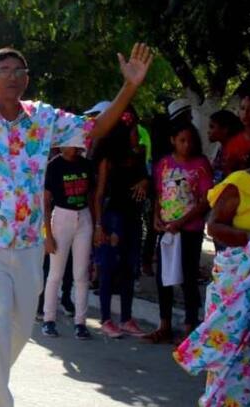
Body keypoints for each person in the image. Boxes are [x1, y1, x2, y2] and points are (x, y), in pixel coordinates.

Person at [0, 40, 152, 407]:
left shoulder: (43, 118)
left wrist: (129, 86)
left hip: (28, 243)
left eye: (19, 71)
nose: (12, 76)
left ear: (27, 79)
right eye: (4, 71)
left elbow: (94, 129)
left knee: (18, 330)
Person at [173, 124, 250, 407]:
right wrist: (249, 238)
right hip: (241, 286)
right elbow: (214, 226)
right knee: (232, 361)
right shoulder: (240, 182)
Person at [144, 122, 212, 343]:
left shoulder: (201, 165)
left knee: (188, 278)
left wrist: (181, 222)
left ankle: (190, 328)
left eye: (190, 141)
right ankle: (164, 325)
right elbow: (159, 194)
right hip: (167, 230)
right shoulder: (164, 163)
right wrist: (156, 217)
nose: (186, 145)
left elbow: (205, 200)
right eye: (182, 140)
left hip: (190, 230)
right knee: (163, 277)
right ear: (173, 140)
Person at [93, 111, 149, 339]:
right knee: (108, 269)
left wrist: (145, 182)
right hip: (113, 218)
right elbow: (99, 195)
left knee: (129, 269)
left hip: (133, 217)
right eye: (134, 131)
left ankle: (126, 318)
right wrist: (99, 226)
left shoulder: (138, 157)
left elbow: (147, 179)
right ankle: (106, 318)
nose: (138, 135)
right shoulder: (108, 160)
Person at [41, 141, 94, 340]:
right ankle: (49, 319)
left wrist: (96, 225)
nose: (71, 147)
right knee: (55, 273)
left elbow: (91, 196)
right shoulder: (54, 166)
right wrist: (47, 234)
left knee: (81, 274)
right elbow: (46, 202)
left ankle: (80, 322)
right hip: (61, 218)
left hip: (84, 217)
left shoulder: (86, 164)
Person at [207, 109, 243, 184]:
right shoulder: (221, 148)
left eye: (212, 127)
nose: (208, 131)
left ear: (225, 129)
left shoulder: (233, 152)